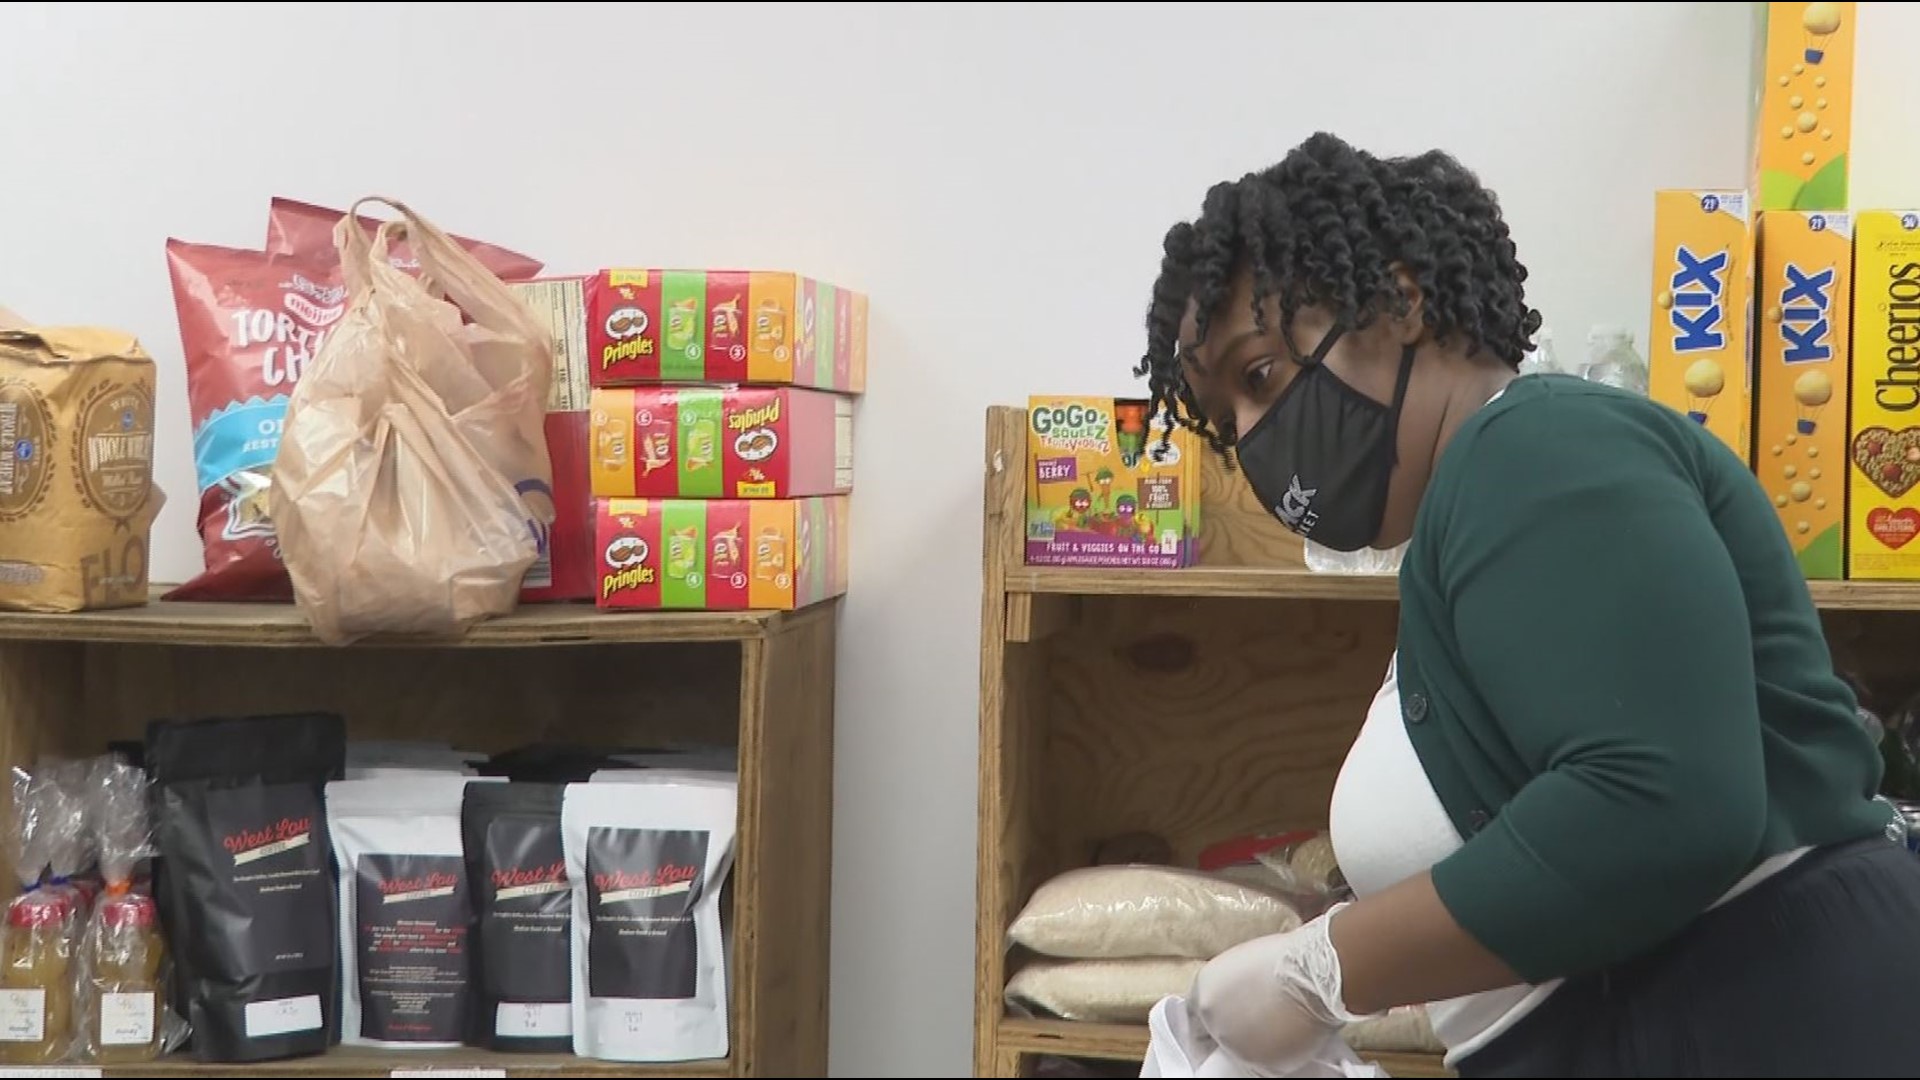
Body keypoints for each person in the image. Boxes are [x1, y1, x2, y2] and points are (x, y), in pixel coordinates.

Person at [1133, 131, 1920, 1078]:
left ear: (1403, 299)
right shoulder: (1468, 524)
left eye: (1261, 376)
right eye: (1228, 422)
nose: (1256, 436)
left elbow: (1660, 805)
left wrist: (1320, 968)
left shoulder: (1532, 452)